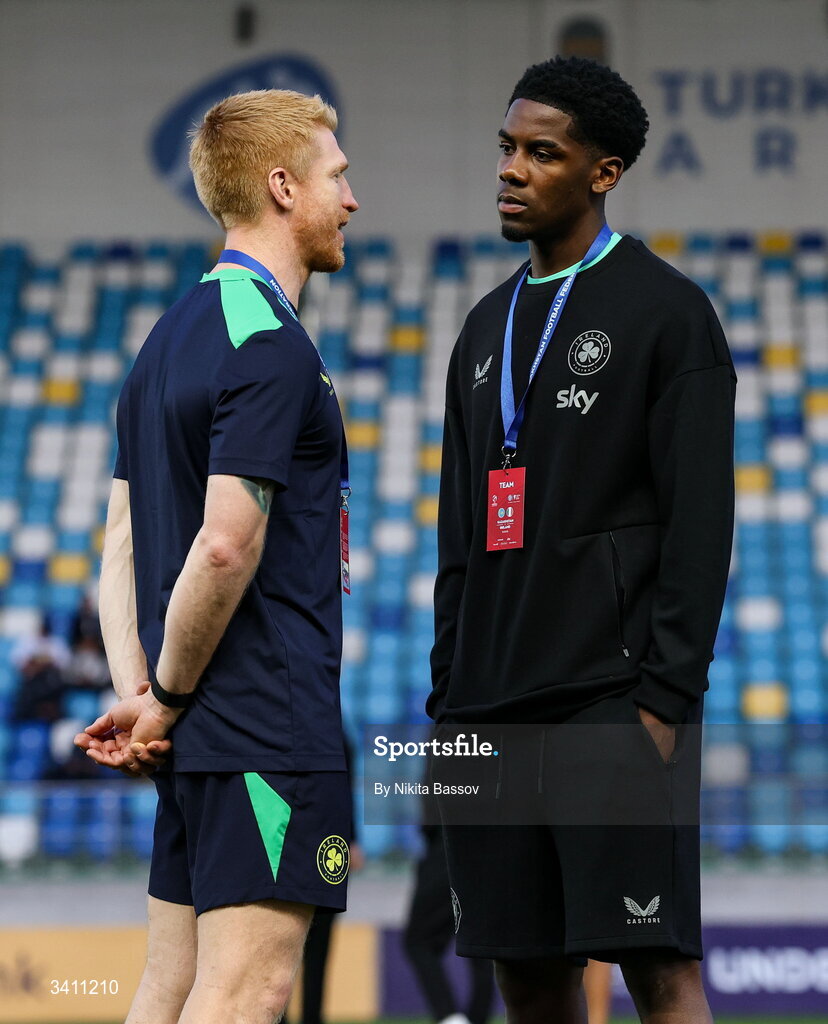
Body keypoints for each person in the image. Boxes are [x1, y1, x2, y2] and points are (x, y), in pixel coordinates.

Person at [428, 57, 735, 1023]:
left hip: (612, 704)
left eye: (541, 153)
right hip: (488, 709)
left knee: (656, 966)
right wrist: (449, 699)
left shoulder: (669, 313)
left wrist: (665, 697)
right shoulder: (482, 329)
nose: (512, 169)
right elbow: (458, 535)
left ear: (603, 173)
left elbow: (700, 522)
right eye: (507, 148)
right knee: (524, 975)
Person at [74, 88, 358, 1024]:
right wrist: (166, 698)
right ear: (283, 186)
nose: (351, 198)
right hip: (260, 720)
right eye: (337, 175)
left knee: (171, 985)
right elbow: (228, 544)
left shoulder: (160, 346)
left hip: (196, 732)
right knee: (249, 991)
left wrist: (141, 696)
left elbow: (116, 544)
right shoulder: (271, 343)